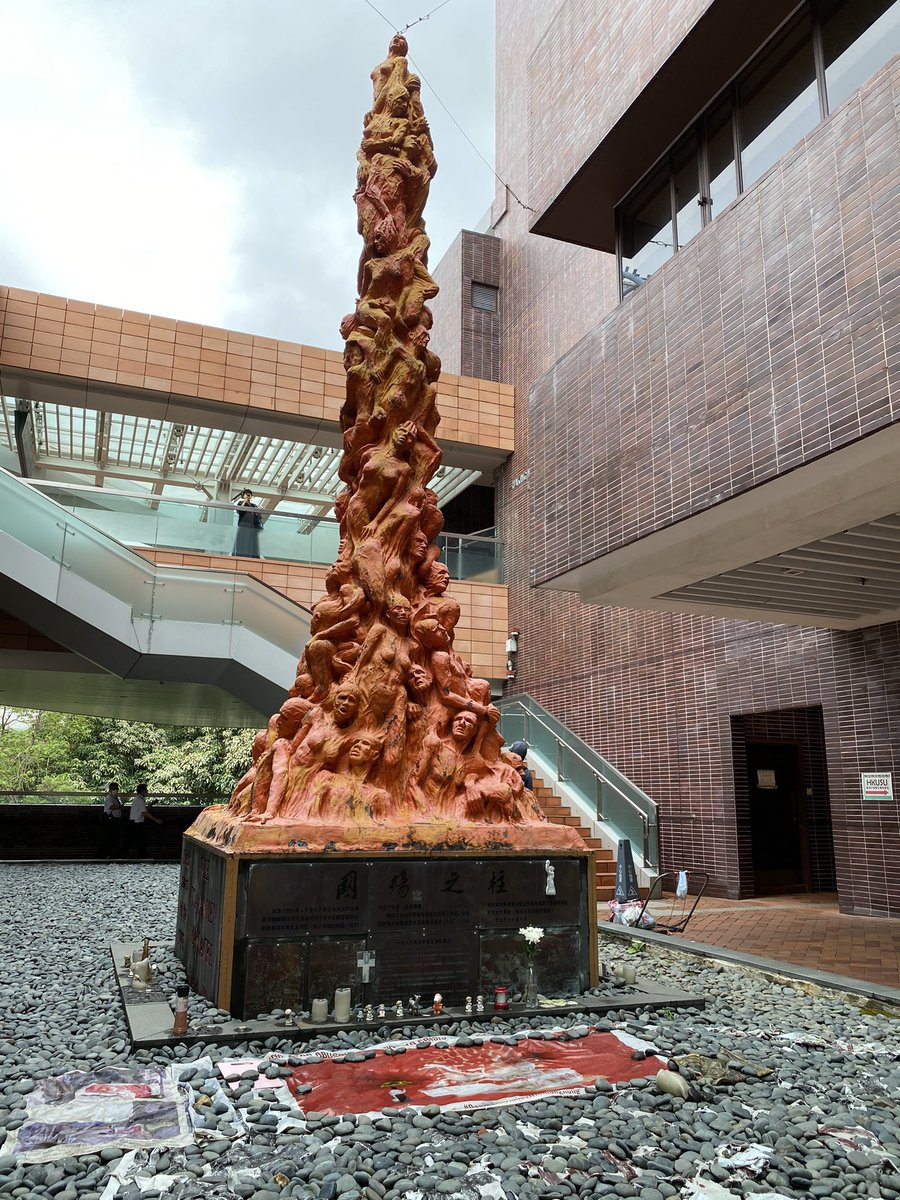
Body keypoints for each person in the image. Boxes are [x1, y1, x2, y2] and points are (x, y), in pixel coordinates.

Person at [128, 784, 161, 858]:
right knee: (139, 842)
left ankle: (143, 857)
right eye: (146, 790)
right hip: (136, 824)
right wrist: (156, 820)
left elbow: (143, 810)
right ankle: (144, 857)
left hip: (135, 824)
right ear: (142, 791)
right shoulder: (139, 800)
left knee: (138, 842)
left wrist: (151, 804)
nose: (147, 792)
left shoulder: (139, 799)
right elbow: (144, 812)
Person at [233, 488, 262, 558]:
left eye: (249, 495)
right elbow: (239, 510)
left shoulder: (254, 505)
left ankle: (252, 555)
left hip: (252, 526)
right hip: (243, 524)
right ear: (243, 495)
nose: (248, 496)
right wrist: (244, 501)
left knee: (251, 541)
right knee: (242, 539)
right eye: (247, 494)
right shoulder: (240, 503)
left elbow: (258, 515)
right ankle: (240, 554)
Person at [100, 781, 123, 857]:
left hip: (115, 820)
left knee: (114, 838)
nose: (115, 790)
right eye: (114, 788)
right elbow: (111, 807)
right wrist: (120, 807)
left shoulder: (115, 798)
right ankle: (105, 854)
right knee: (110, 838)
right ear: (110, 789)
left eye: (116, 788)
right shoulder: (109, 798)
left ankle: (108, 854)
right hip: (110, 820)